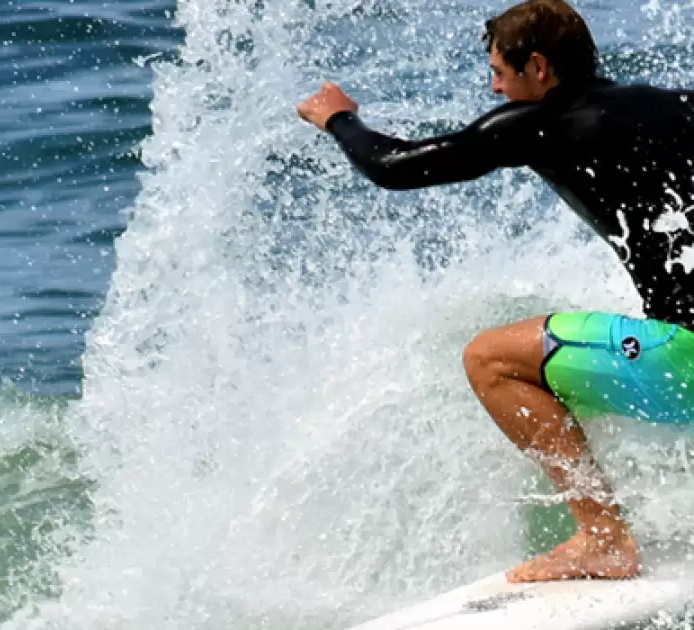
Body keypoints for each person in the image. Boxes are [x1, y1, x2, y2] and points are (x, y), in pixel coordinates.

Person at [297, 0, 694, 583]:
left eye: (499, 74)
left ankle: (604, 540)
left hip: (685, 363)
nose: (494, 88)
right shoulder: (675, 104)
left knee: (490, 359)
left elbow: (394, 165)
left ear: (538, 68)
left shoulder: (544, 122)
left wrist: (338, 117)